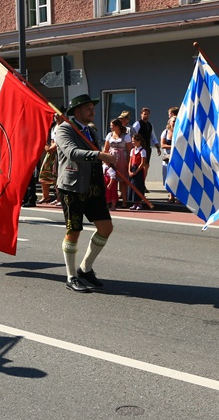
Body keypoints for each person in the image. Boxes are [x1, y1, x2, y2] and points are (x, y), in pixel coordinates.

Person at [55, 95, 117, 292]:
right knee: (74, 230)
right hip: (72, 186)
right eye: (88, 108)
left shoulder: (90, 130)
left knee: (106, 228)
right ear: (77, 111)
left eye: (92, 107)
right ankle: (71, 276)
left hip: (94, 186)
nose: (92, 111)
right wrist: (99, 155)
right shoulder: (64, 129)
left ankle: (85, 268)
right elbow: (72, 153)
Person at [102, 118, 131, 208]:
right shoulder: (109, 135)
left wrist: (129, 162)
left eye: (113, 125)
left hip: (122, 158)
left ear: (118, 126)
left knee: (123, 180)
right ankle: (111, 200)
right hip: (111, 157)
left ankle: (124, 202)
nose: (111, 127)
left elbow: (129, 150)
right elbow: (106, 148)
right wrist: (104, 159)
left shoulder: (125, 136)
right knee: (111, 180)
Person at [126, 133, 149, 210]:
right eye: (132, 141)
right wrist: (129, 170)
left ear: (139, 141)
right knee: (132, 186)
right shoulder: (132, 150)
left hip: (138, 170)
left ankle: (139, 203)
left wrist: (136, 171)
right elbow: (130, 161)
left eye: (134, 141)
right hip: (132, 168)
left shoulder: (142, 151)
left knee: (138, 186)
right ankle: (134, 203)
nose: (133, 143)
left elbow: (142, 163)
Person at [159, 116, 176, 202]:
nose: (174, 122)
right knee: (168, 177)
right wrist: (173, 146)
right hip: (167, 157)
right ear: (169, 122)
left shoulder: (180, 132)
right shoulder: (165, 132)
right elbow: (162, 145)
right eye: (173, 121)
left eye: (176, 121)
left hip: (177, 157)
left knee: (176, 177)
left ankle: (178, 197)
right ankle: (171, 196)